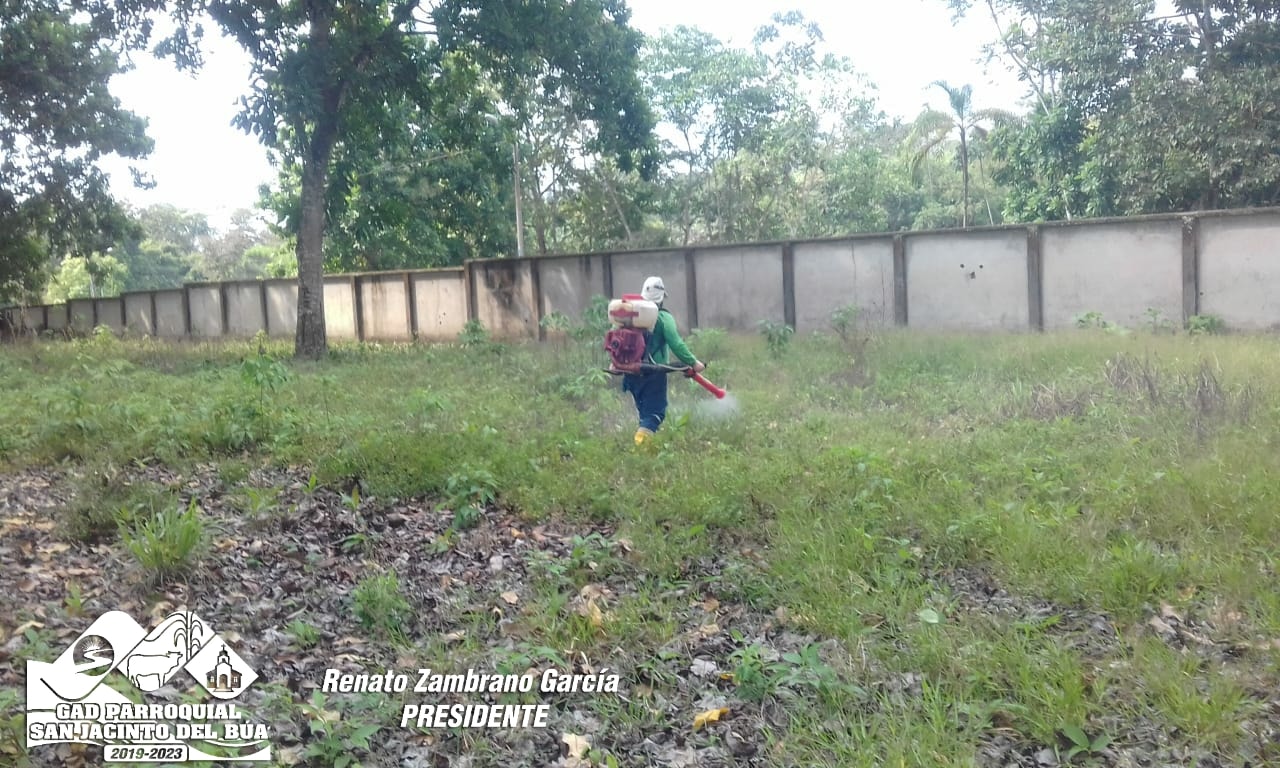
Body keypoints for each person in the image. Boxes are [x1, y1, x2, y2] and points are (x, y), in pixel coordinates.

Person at [622, 276, 705, 445]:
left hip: (630, 372)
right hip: (652, 373)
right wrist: (694, 363)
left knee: (645, 412)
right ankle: (640, 447)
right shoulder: (663, 317)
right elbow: (676, 344)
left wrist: (615, 361)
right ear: (661, 297)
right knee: (655, 413)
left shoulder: (631, 314)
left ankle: (646, 444)